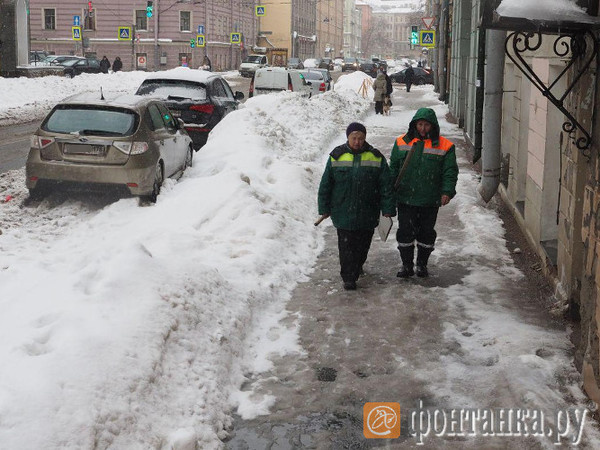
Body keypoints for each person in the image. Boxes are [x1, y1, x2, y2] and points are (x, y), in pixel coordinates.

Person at [318, 122, 395, 290]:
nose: (357, 141)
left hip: (367, 211)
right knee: (346, 246)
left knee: (362, 245)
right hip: (343, 210)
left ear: (365, 138)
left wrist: (388, 208)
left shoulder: (375, 156)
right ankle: (348, 277)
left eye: (361, 138)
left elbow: (385, 185)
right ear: (348, 137)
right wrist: (324, 207)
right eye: (354, 138)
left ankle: (358, 264)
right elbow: (326, 184)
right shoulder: (337, 156)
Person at [389, 107, 459, 278]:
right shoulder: (401, 143)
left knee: (426, 233)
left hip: (429, 199)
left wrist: (447, 192)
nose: (422, 128)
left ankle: (422, 265)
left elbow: (450, 171)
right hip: (406, 198)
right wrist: (389, 191)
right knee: (405, 232)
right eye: (420, 124)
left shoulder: (445, 146)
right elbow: (393, 169)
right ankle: (406, 265)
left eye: (426, 125)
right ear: (414, 125)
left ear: (433, 126)